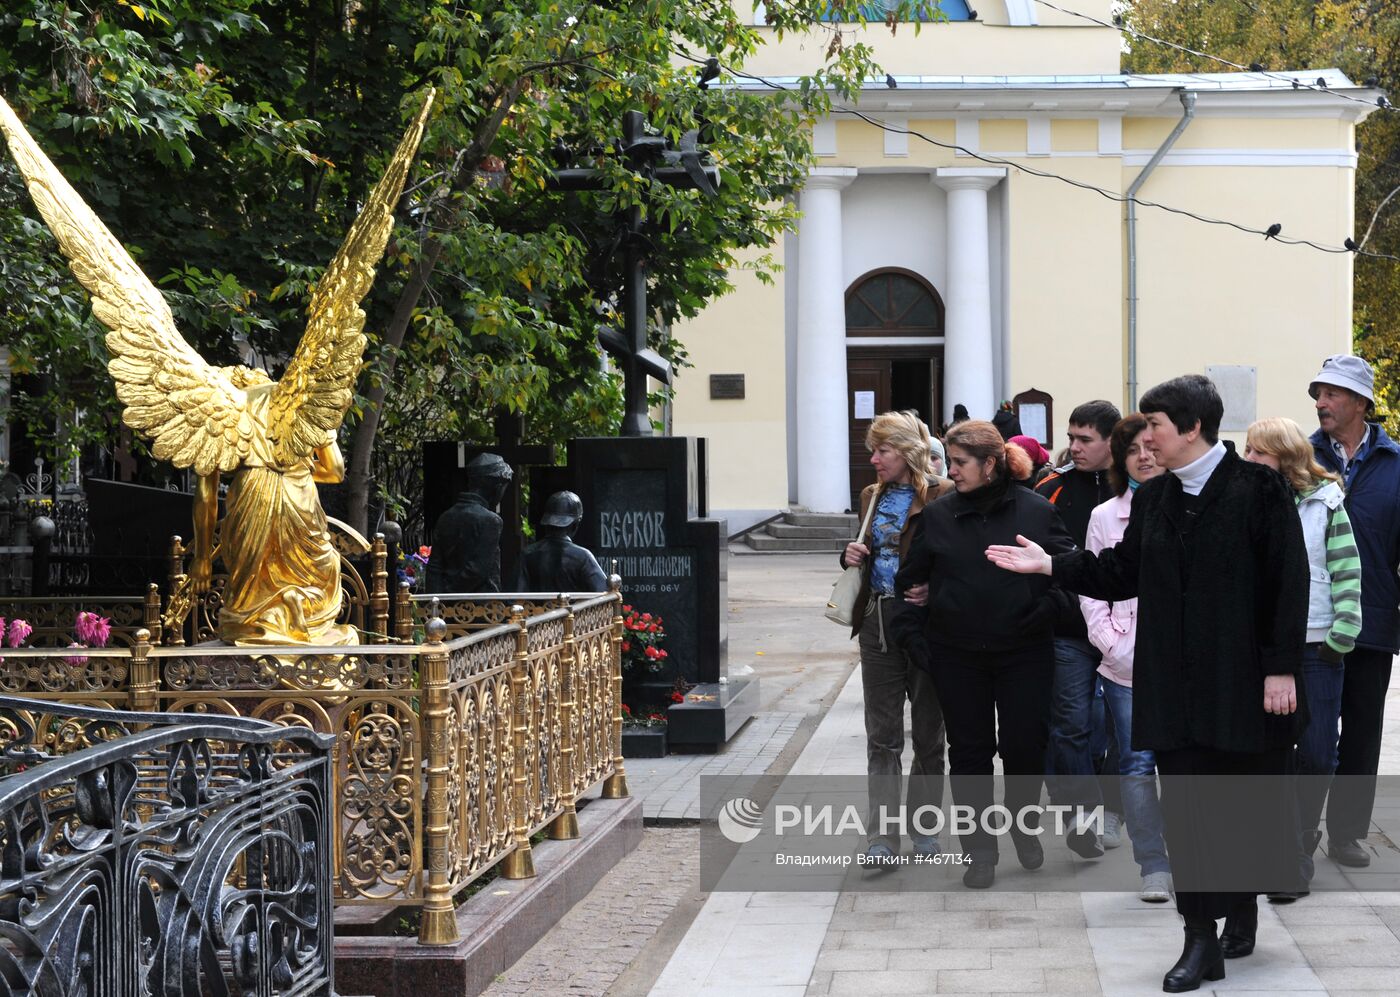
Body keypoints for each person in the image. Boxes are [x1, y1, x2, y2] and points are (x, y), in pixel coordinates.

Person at [988, 374, 1307, 993]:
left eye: (1155, 425)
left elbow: (1286, 582)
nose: (1144, 438)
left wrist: (1280, 667)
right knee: (1186, 808)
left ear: (1190, 428)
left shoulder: (1257, 488)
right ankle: (1198, 938)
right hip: (1172, 684)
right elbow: (1120, 571)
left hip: (1241, 682)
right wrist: (1052, 564)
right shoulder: (1156, 498)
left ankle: (1240, 907)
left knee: (1239, 804)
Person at [890, 421, 1075, 890]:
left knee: (1023, 747)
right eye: (949, 462)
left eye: (960, 463)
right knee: (970, 753)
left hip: (1024, 653)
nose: (951, 471)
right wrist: (917, 641)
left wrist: (1043, 612)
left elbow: (1069, 579)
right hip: (957, 655)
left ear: (990, 464)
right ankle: (980, 852)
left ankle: (1024, 826)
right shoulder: (939, 515)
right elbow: (907, 584)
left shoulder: (1035, 511)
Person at [1245, 416, 1362, 898]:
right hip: (1264, 647)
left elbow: (1347, 570)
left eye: (1258, 452)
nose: (1248, 460)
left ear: (1285, 457)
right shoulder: (1244, 501)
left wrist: (1341, 635)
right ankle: (1285, 857)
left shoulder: (1326, 502)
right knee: (1271, 754)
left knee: (1316, 753)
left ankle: (1301, 837)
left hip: (1317, 647)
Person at [841, 411, 954, 866]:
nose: (873, 459)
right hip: (878, 623)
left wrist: (937, 587)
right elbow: (868, 554)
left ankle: (924, 833)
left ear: (906, 452)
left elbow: (961, 557)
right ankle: (882, 840)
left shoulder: (944, 496)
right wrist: (849, 554)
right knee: (882, 737)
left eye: (882, 451)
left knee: (929, 735)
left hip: (928, 627)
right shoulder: (873, 494)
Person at [1307, 354, 1400, 870]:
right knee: (1312, 734)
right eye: (1318, 394)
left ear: (1361, 402)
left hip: (1375, 620)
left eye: (1332, 394)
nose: (1321, 402)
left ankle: (1346, 834)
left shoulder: (1395, 464)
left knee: (1362, 732)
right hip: (1314, 621)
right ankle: (1300, 829)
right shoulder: (1301, 458)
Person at [1079, 414, 1172, 903]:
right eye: (1133, 448)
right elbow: (1093, 588)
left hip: (1181, 663)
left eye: (1152, 447)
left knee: (1181, 766)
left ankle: (1189, 854)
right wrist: (1112, 642)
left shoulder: (1191, 508)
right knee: (1136, 765)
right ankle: (1152, 865)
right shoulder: (1104, 516)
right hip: (1126, 664)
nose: (1144, 456)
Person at [1035, 400, 1121, 857]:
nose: (1074, 447)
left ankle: (1113, 808)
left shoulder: (1137, 488)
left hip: (1126, 630)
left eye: (1085, 439)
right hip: (1069, 629)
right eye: (1071, 438)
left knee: (1122, 728)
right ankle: (1081, 816)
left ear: (1113, 441)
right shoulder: (1051, 487)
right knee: (1070, 725)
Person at [426, 453, 513, 593]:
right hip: (482, 606)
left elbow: (434, 566)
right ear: (497, 487)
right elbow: (477, 570)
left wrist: (437, 600)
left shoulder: (446, 516)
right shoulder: (491, 520)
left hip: (445, 606)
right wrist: (449, 594)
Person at [517, 490, 609, 592]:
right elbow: (605, 594)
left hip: (536, 608)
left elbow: (514, 597)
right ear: (576, 524)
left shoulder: (527, 554)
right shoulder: (583, 557)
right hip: (574, 608)